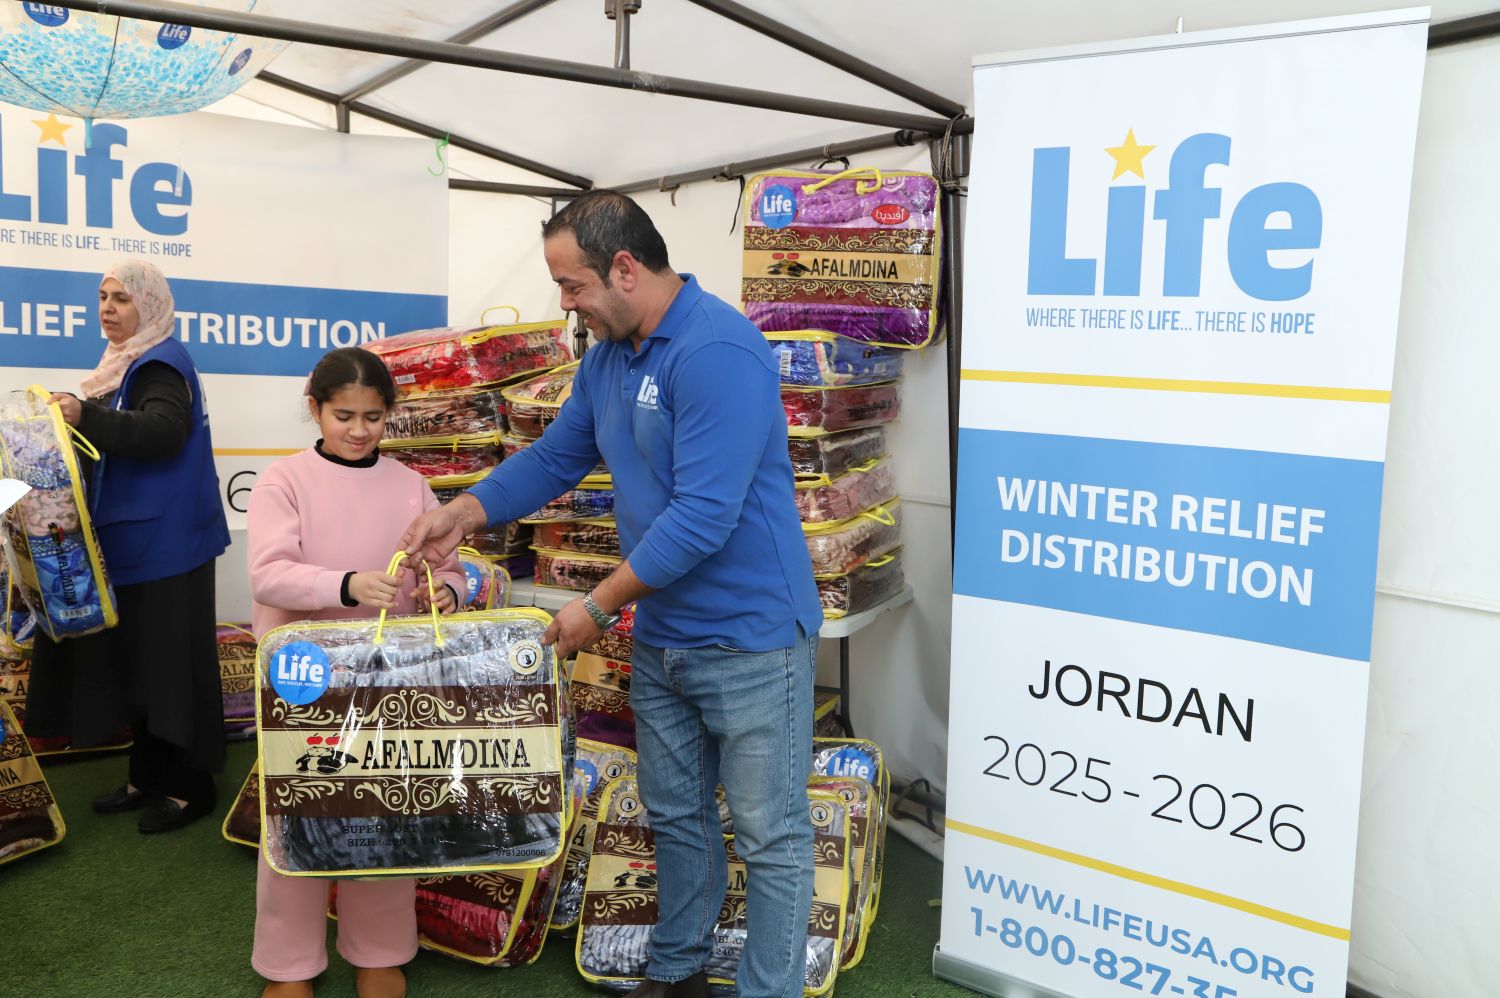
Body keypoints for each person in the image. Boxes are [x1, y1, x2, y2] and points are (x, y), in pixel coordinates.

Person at [403, 190, 823, 998]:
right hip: (665, 634)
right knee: (676, 814)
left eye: (573, 285)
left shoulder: (717, 350)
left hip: (752, 638)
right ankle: (676, 971)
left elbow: (703, 517)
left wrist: (598, 606)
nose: (566, 304)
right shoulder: (606, 359)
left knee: (770, 835)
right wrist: (465, 510)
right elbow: (555, 457)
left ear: (624, 268)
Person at [246, 347, 463, 998]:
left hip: (391, 676)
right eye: (344, 416)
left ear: (389, 414)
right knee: (297, 812)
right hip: (303, 679)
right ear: (314, 409)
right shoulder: (283, 480)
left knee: (385, 810)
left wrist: (447, 591)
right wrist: (346, 584)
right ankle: (289, 963)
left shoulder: (411, 485)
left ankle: (380, 950)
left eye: (374, 416)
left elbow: (451, 567)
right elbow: (268, 575)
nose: (360, 430)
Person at [27, 258, 230, 833]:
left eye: (122, 298)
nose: (108, 309)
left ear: (151, 305)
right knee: (142, 670)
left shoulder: (160, 363)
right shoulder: (125, 362)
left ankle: (191, 788)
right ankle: (148, 778)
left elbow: (163, 432)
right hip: (139, 543)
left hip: (170, 547)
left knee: (171, 673)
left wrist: (83, 414)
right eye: (103, 297)